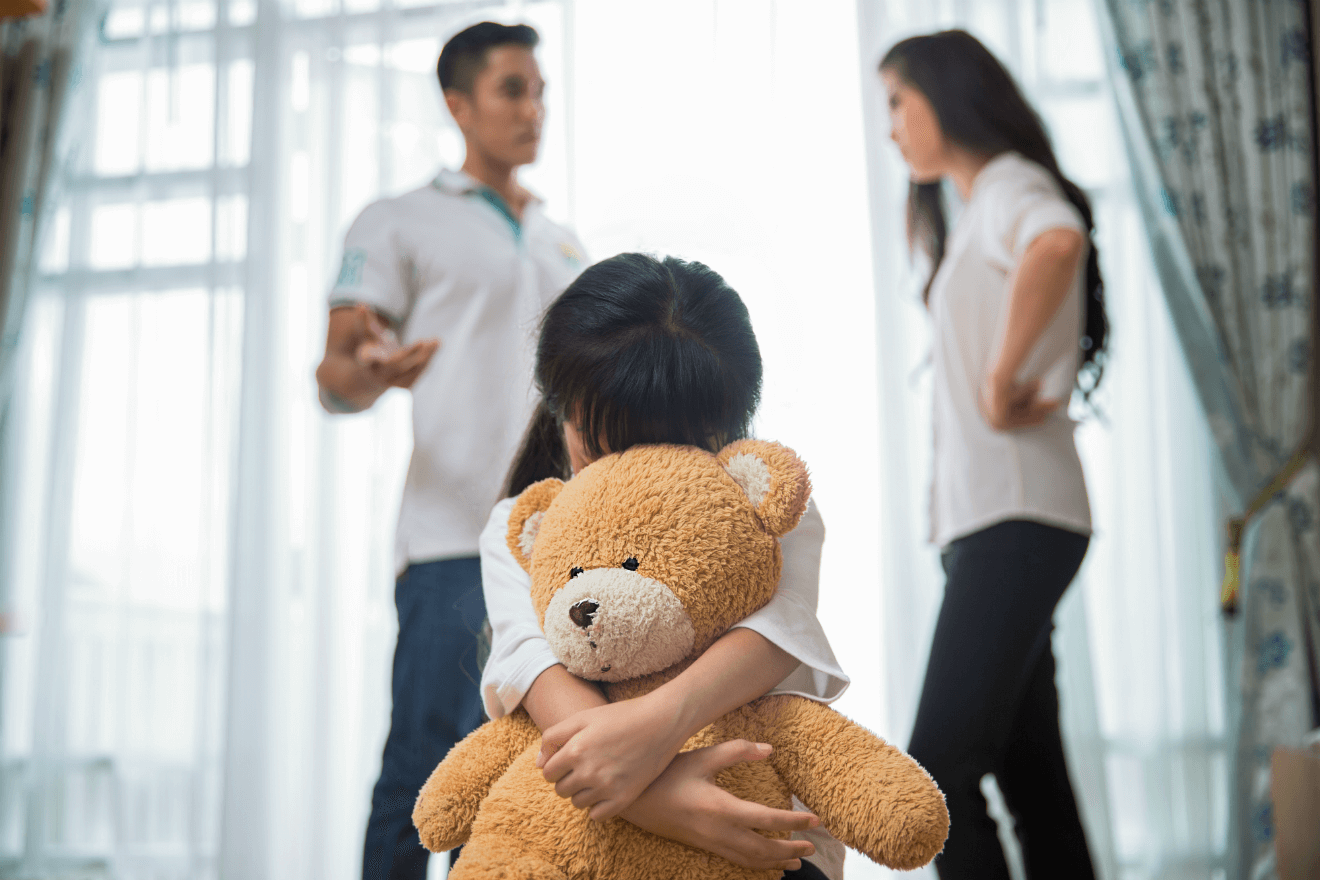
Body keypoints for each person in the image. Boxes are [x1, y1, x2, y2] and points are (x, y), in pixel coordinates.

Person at [314, 21, 587, 880]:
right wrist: (369, 369)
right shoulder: (402, 220)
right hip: (449, 546)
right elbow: (336, 372)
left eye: (540, 90)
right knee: (424, 775)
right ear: (456, 103)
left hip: (553, 552)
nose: (533, 108)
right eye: (513, 89)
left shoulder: (562, 239)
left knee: (518, 786)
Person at [479, 253, 852, 880]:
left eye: (675, 448)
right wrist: (666, 802)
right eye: (603, 447)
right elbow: (530, 664)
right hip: (596, 826)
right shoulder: (523, 526)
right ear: (558, 409)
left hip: (758, 831)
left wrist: (663, 719)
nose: (633, 473)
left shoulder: (764, 509)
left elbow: (779, 632)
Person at [878, 29, 1110, 879]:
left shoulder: (1012, 185)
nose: (892, 126)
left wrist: (1001, 375)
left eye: (897, 103)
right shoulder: (979, 207)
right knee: (1031, 779)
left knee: (935, 775)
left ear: (947, 95)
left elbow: (1058, 240)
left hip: (1016, 519)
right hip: (1002, 521)